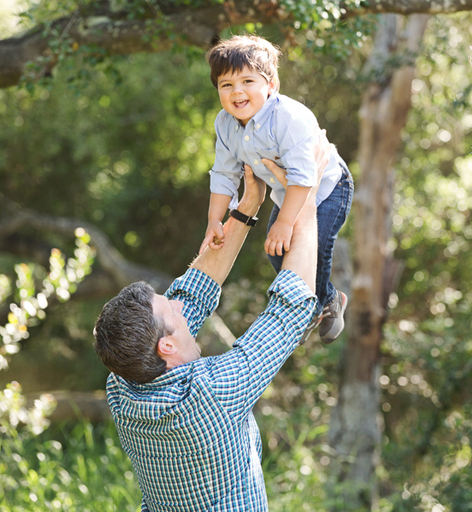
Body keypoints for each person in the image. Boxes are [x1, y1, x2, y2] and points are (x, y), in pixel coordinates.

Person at [92, 140, 328, 511]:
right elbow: (289, 309)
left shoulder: (123, 387)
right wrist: (305, 196)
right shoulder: (211, 394)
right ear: (166, 346)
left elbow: (195, 291)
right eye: (170, 308)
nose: (177, 301)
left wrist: (248, 205)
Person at [201, 34, 353, 344]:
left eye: (248, 81)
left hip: (328, 187)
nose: (237, 91)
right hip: (288, 194)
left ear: (271, 85)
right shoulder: (225, 124)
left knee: (313, 246)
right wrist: (214, 220)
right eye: (226, 85)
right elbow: (224, 174)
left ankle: (316, 305)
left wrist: (284, 223)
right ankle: (327, 297)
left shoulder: (289, 118)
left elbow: (303, 177)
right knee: (279, 251)